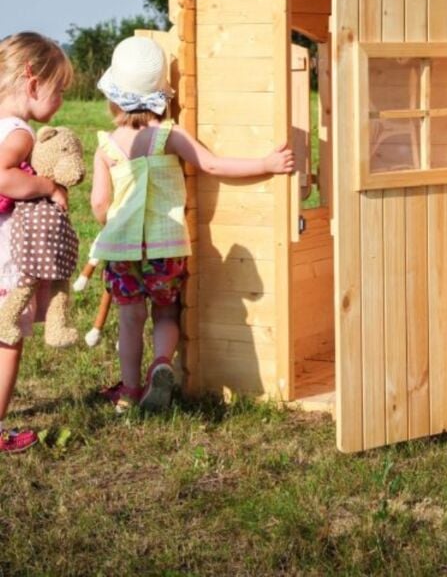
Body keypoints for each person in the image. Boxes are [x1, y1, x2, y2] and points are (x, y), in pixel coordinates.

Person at [91, 36, 294, 412]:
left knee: (130, 317)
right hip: (167, 248)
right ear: (162, 94)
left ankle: (130, 391)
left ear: (114, 97)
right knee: (166, 312)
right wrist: (266, 164)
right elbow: (213, 165)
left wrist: (111, 225)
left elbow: (100, 204)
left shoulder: (106, 146)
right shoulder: (169, 135)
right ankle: (162, 364)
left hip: (121, 250)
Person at [0, 32, 73, 453]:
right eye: (59, 90)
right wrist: (47, 184)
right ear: (33, 83)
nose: (61, 99)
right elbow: (4, 176)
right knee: (7, 340)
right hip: (7, 253)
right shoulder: (20, 134)